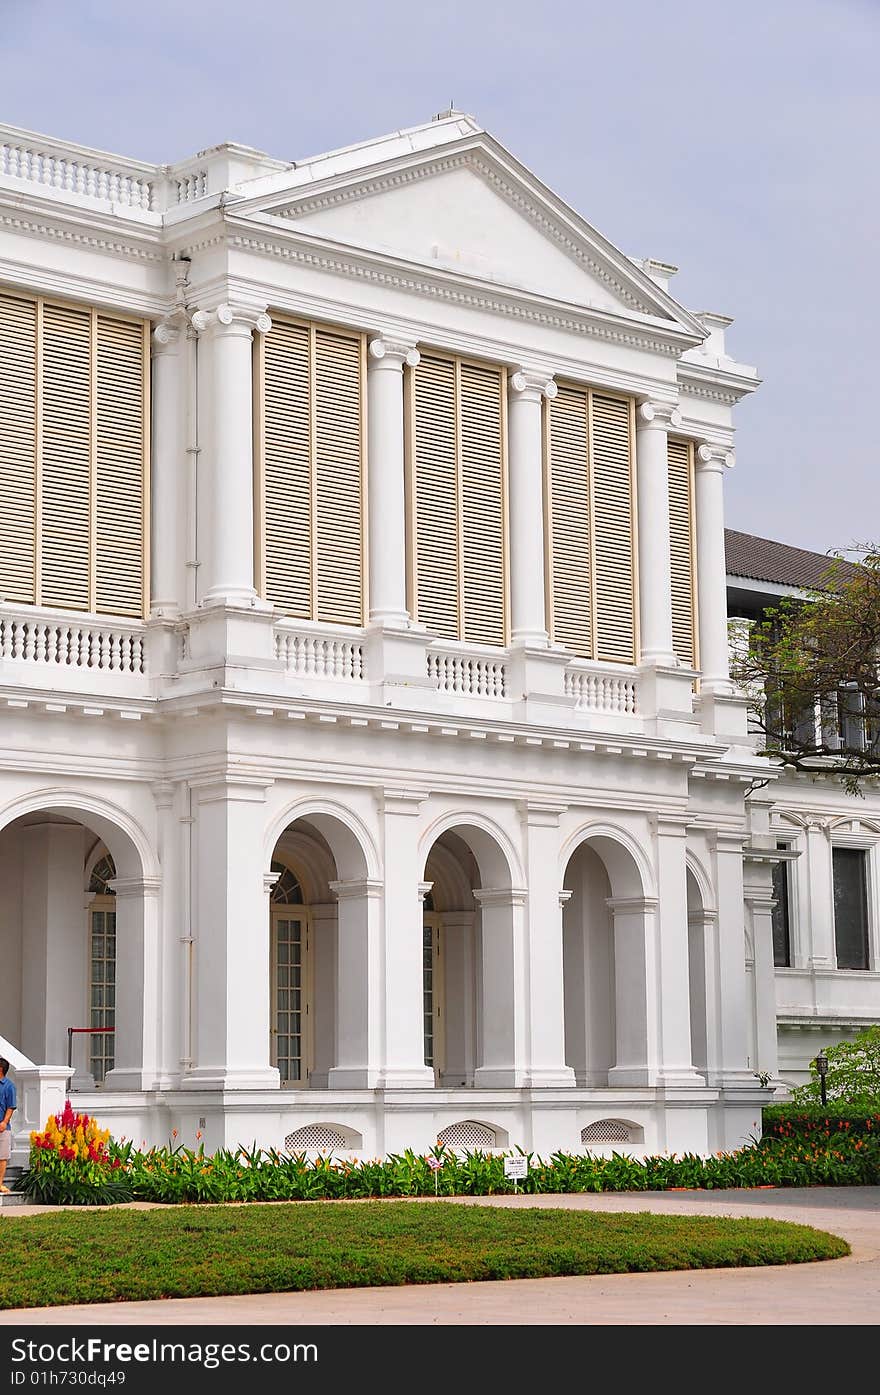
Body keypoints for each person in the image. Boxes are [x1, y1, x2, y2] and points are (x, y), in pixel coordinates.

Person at [0, 1058, 16, 1193]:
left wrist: (4, 1122)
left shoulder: (9, 1086)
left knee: (2, 1156)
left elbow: (11, 1106)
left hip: (2, 1127)